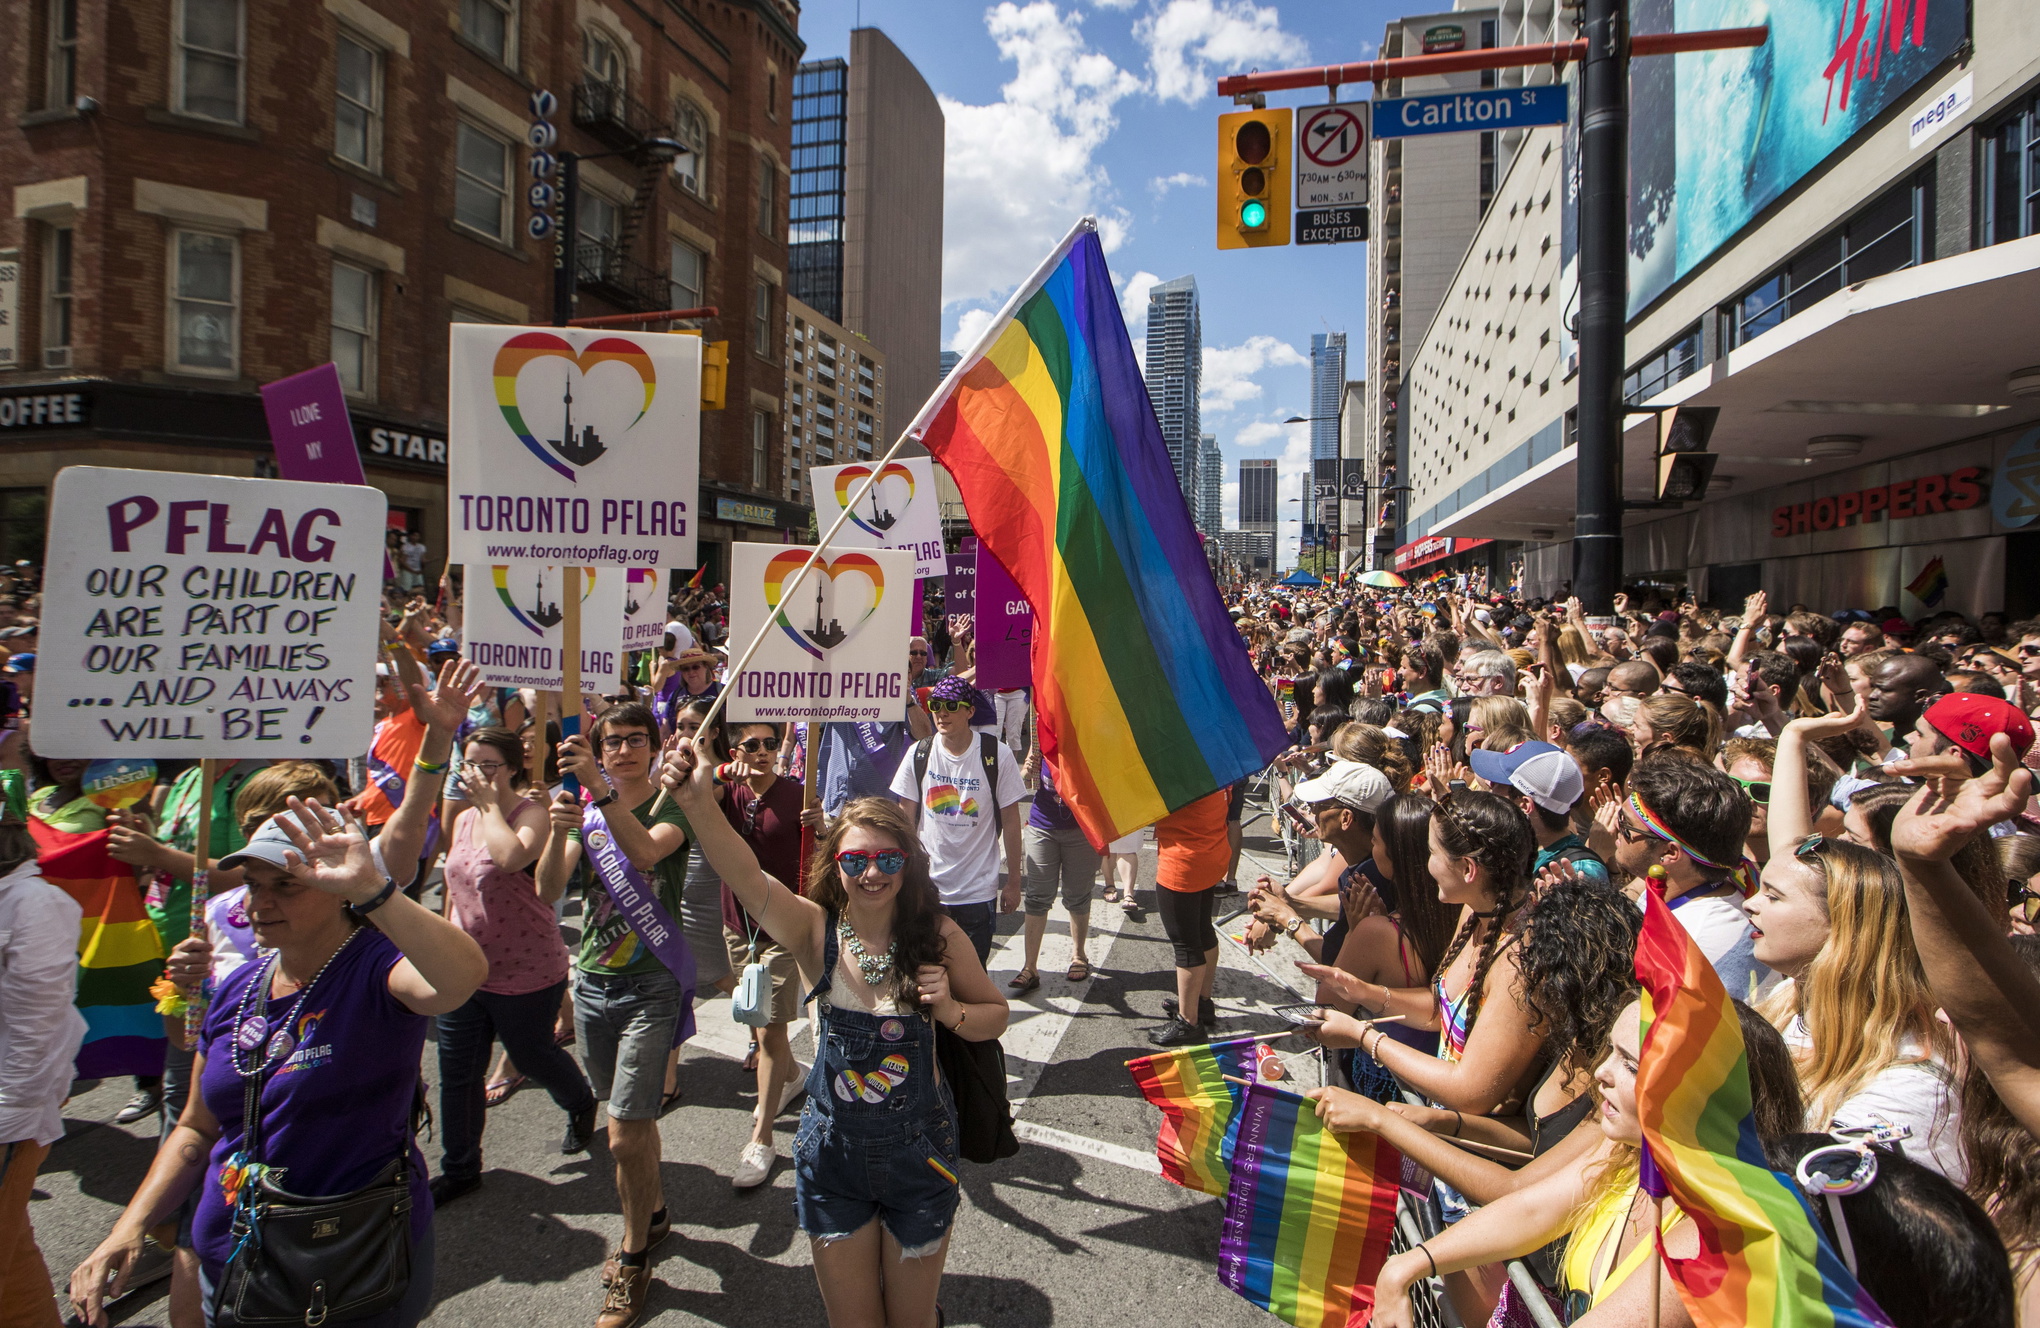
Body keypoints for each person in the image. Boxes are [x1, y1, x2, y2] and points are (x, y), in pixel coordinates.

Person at [67, 799, 488, 1328]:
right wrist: (128, 1227)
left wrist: (371, 891)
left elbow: (461, 978)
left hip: (349, 1256)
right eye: (254, 883)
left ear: (337, 892)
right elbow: (197, 1128)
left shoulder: (375, 967)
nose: (261, 901)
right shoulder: (240, 987)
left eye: (286, 885)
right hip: (232, 1254)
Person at [660, 740, 1008, 1328]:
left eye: (888, 860)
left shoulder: (941, 935)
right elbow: (745, 875)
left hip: (921, 1156)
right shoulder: (811, 929)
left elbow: (994, 1015)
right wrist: (696, 804)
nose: (872, 873)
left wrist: (948, 1008)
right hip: (831, 1158)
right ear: (835, 866)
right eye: (855, 861)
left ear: (908, 864)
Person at [1361, 995, 1806, 1328]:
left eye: (1631, 1065)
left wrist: (1381, 1120)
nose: (1600, 1073)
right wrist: (1406, 1265)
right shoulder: (1629, 1153)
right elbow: (1530, 1209)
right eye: (1610, 1052)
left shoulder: (1720, 1234)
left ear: (1699, 1096)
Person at [534, 702, 691, 1328]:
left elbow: (649, 855)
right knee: (634, 1124)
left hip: (652, 983)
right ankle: (652, 1215)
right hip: (594, 982)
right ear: (598, 750)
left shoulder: (671, 802)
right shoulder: (579, 810)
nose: (624, 750)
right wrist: (557, 828)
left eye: (635, 740)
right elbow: (549, 890)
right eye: (612, 742)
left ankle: (631, 1258)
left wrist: (600, 795)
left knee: (623, 1133)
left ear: (653, 746)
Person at [430, 726, 596, 1208]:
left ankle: (580, 1101)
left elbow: (508, 858)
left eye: (488, 766)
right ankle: (460, 1167)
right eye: (470, 764)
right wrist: (440, 944)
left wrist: (487, 804)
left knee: (531, 1056)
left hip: (525, 968)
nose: (477, 775)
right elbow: (452, 885)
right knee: (458, 1071)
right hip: (465, 969)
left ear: (511, 769)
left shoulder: (533, 814)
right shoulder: (462, 819)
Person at [1748, 834, 1965, 1178]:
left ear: (1842, 927)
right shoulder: (1785, 999)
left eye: (1773, 896)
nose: (1750, 903)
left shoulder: (1908, 1086)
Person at [0, 774, 86, 1328]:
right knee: (11, 1266)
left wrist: (6, 1127)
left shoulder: (34, 904)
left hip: (8, 1117)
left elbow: (36, 1032)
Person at [718, 721, 807, 1190]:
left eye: (771, 743)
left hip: (781, 928)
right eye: (752, 745)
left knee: (770, 1028)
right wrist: (720, 773)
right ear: (736, 750)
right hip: (738, 925)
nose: (763, 752)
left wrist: (823, 824)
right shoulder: (726, 793)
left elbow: (819, 850)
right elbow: (680, 790)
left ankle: (763, 1138)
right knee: (756, 1017)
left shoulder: (796, 794)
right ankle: (791, 1076)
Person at [888, 675, 1024, 968]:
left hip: (977, 892)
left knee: (972, 980)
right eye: (935, 705)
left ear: (970, 711)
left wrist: (1013, 882)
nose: (941, 713)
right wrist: (902, 876)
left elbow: (1012, 823)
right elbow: (904, 820)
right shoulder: (919, 753)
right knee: (925, 975)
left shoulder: (996, 755)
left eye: (951, 705)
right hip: (928, 889)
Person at [1606, 755, 1767, 999]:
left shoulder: (1687, 943)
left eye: (1625, 823)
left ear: (1669, 853)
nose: (1616, 827)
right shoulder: (1711, 888)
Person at [1147, 788, 1233, 1047]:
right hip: (1211, 852)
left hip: (1183, 863)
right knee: (1202, 930)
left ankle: (1188, 1021)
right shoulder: (1214, 765)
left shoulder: (1178, 772)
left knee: (1185, 944)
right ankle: (1201, 1003)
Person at [1011, 754, 1101, 992]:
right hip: (1042, 827)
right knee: (1037, 897)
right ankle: (1030, 967)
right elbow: (1022, 781)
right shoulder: (1042, 734)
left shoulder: (1088, 735)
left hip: (1082, 828)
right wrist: (1027, 771)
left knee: (1078, 895)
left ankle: (1079, 956)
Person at [1468, 740, 1610, 885]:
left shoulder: (1578, 872)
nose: (1490, 787)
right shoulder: (1512, 847)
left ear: (1524, 805)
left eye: (1496, 783)